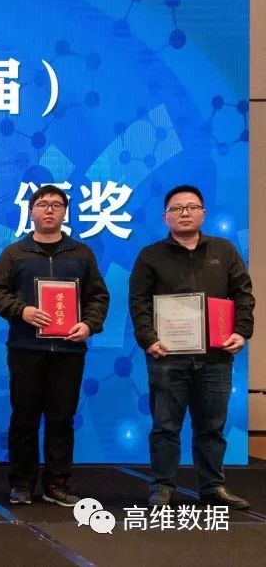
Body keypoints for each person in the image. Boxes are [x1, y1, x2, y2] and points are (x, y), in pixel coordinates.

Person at [128, 184, 255, 509]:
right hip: (167, 356)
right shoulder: (150, 256)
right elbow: (139, 302)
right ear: (165, 217)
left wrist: (242, 332)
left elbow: (243, 294)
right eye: (176, 208)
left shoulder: (224, 251)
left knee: (212, 427)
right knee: (165, 426)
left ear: (203, 213)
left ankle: (213, 487)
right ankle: (162, 487)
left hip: (215, 357)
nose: (184, 213)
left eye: (191, 207)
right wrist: (148, 339)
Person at [0, 184, 109, 507]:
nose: (50, 209)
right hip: (26, 349)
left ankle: (57, 483)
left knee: (61, 419)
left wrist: (89, 324)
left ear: (65, 212)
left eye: (56, 204)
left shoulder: (81, 253)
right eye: (42, 204)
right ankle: (22, 482)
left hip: (68, 351)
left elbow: (98, 296)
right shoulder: (15, 253)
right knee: (23, 417)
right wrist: (22, 310)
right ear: (31, 211)